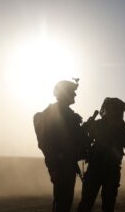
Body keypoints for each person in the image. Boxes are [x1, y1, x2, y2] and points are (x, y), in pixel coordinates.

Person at [33, 79, 90, 212]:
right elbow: (47, 144)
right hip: (61, 166)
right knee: (62, 204)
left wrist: (85, 131)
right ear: (64, 94)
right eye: (72, 92)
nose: (75, 95)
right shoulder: (54, 113)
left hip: (67, 165)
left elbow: (75, 138)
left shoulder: (68, 114)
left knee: (65, 202)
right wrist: (54, 167)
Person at [77, 97, 125, 212]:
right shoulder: (98, 124)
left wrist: (120, 131)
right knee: (86, 203)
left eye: (117, 110)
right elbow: (85, 141)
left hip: (112, 171)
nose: (114, 112)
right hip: (95, 168)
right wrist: (88, 127)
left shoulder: (122, 127)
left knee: (108, 205)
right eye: (112, 109)